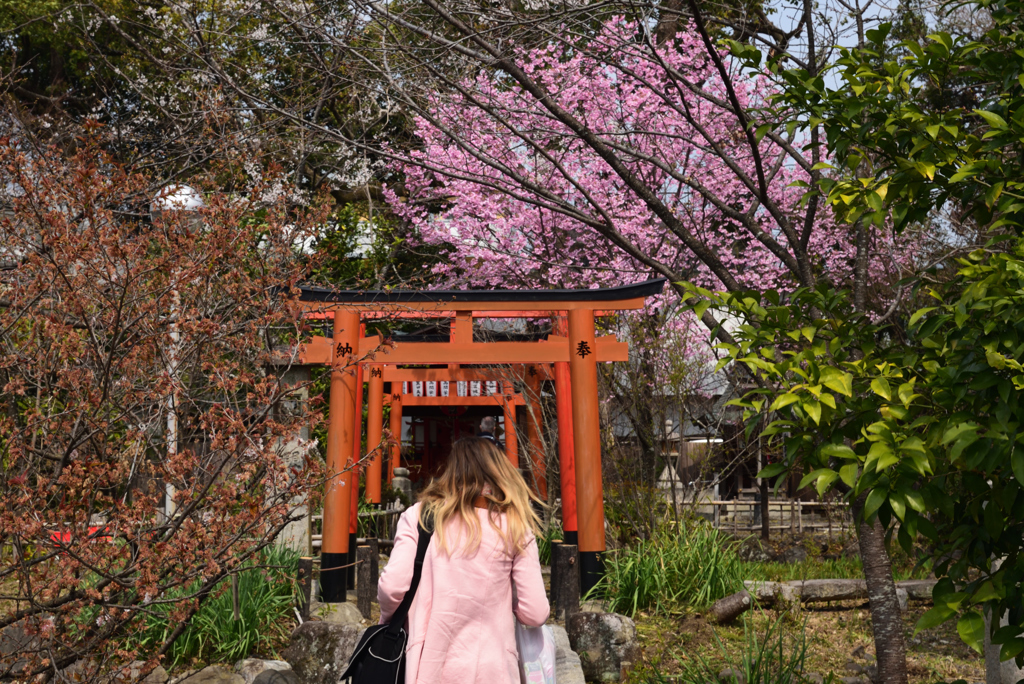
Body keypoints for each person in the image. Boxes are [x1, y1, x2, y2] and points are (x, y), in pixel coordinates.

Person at [378, 437, 549, 684]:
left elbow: (392, 587)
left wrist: (389, 618)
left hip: (428, 668)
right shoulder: (515, 527)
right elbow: (535, 612)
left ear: (451, 472)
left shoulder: (419, 516)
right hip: (493, 671)